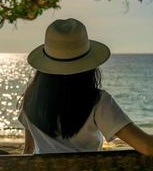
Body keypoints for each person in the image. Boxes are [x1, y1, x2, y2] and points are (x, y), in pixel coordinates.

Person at [19, 18, 153, 155]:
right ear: (88, 64)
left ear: (45, 64)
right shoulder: (98, 101)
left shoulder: (32, 97)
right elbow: (147, 147)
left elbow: (28, 151)